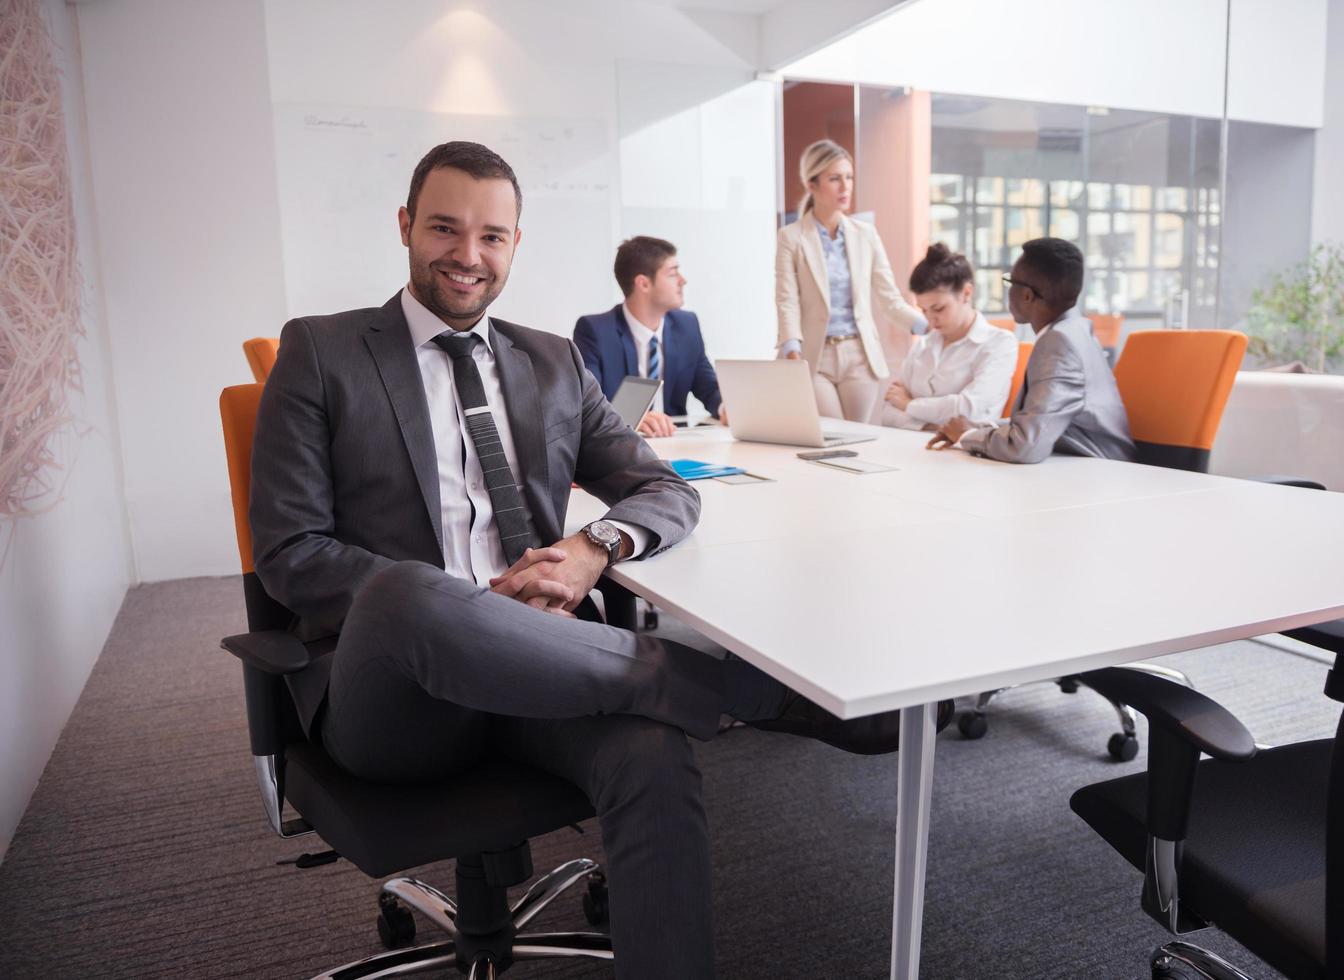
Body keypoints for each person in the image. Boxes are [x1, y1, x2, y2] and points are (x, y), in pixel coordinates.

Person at [250, 141, 940, 980]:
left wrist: (591, 547)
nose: (469, 255)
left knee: (651, 756)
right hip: (394, 697)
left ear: (514, 244)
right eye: (444, 228)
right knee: (408, 593)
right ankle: (738, 687)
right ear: (404, 227)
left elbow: (664, 490)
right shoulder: (323, 352)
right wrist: (464, 604)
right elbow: (290, 553)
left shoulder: (550, 360)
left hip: (541, 670)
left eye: (493, 236)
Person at [926, 237, 1135, 463]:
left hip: (1101, 472)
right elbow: (1038, 422)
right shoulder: (1075, 328)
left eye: (1010, 282)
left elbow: (1024, 446)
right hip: (1082, 464)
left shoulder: (1059, 342)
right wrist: (976, 427)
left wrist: (966, 435)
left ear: (1027, 295)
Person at [776, 139, 929, 422]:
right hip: (814, 355)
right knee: (831, 433)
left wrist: (928, 325)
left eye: (849, 177)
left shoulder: (865, 234)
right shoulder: (792, 237)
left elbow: (889, 299)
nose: (845, 187)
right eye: (835, 179)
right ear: (812, 185)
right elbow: (787, 299)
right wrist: (791, 349)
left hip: (859, 354)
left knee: (858, 439)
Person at [573, 236, 726, 438]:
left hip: (676, 443)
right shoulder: (596, 331)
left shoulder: (686, 326)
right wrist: (629, 418)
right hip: (620, 450)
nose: (683, 280)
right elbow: (589, 406)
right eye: (673, 273)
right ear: (643, 284)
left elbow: (708, 386)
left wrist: (727, 409)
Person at [881, 243, 1018, 432]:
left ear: (966, 293)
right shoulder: (924, 345)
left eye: (938, 309)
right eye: (923, 310)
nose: (930, 319)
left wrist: (909, 405)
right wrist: (931, 426)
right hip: (911, 449)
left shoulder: (1000, 343)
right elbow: (887, 413)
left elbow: (969, 410)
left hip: (964, 455)